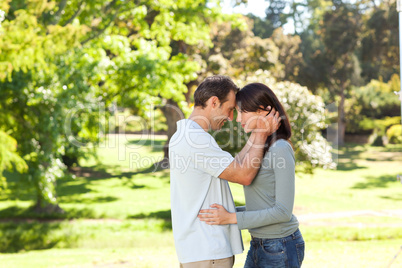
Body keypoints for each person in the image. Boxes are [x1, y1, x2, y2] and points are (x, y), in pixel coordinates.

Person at [169, 76, 281, 268]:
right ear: (214, 102)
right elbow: (243, 175)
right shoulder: (196, 140)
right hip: (208, 250)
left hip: (199, 250)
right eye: (229, 109)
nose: (231, 118)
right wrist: (261, 133)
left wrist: (256, 133)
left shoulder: (186, 135)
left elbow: (234, 165)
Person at [198, 83, 305, 268]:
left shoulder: (280, 149)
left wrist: (232, 218)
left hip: (280, 245)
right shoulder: (261, 147)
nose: (238, 119)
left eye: (242, 112)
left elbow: (282, 211)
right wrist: (258, 133)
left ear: (264, 110)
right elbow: (237, 167)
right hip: (259, 244)